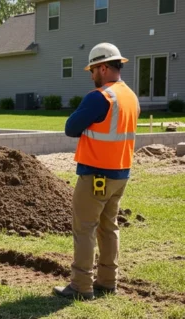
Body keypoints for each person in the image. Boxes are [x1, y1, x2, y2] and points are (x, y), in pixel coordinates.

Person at [53, 43, 140, 300]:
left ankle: (81, 285)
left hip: (96, 175)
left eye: (92, 70)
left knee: (84, 228)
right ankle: (107, 281)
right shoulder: (131, 97)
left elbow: (71, 127)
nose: (91, 75)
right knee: (108, 227)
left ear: (103, 68)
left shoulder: (99, 97)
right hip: (120, 174)